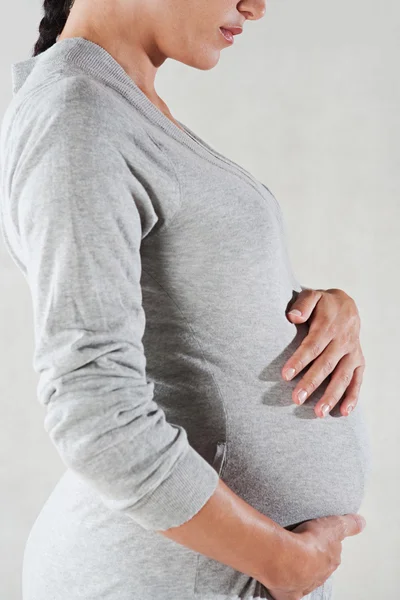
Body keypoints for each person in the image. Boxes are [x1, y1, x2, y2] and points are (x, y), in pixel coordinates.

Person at [0, 1, 372, 599]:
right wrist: (281, 562)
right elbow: (95, 412)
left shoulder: (118, 104)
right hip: (161, 579)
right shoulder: (75, 115)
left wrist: (326, 309)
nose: (255, 5)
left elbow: (190, 302)